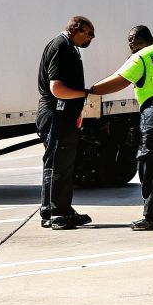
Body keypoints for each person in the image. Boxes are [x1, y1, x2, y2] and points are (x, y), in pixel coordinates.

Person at [89, 25, 153, 230]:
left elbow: (120, 81)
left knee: (150, 165)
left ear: (138, 39)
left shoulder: (141, 57)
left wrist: (91, 91)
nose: (129, 43)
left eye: (130, 39)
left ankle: (151, 217)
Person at [35, 16, 96, 230]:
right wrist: (85, 93)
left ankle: (55, 210)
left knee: (59, 163)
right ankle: (58, 212)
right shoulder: (61, 46)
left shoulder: (69, 47)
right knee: (59, 163)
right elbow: (57, 88)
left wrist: (77, 109)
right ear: (76, 29)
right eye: (89, 33)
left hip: (63, 114)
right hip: (56, 114)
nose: (91, 38)